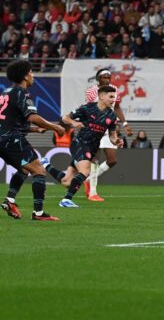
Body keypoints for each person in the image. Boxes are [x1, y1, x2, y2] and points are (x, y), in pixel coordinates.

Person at [0, 60, 65, 221]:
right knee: (39, 171)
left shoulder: (5, 93)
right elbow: (33, 117)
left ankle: (9, 200)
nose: (32, 75)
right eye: (30, 72)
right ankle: (39, 213)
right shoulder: (21, 93)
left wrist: (36, 130)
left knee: (24, 170)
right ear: (25, 76)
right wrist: (55, 127)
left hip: (2, 138)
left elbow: (9, 121)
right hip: (11, 139)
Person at [41, 85, 121, 208]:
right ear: (101, 96)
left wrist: (117, 141)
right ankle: (66, 200)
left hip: (93, 148)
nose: (113, 100)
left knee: (67, 181)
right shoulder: (87, 108)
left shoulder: (112, 117)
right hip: (80, 143)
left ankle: (45, 164)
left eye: (114, 97)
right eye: (111, 97)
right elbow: (65, 118)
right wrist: (74, 123)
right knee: (85, 171)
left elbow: (112, 136)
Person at [83, 68, 133, 202]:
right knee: (95, 159)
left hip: (109, 128)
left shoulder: (114, 89)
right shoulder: (91, 91)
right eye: (104, 77)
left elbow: (116, 108)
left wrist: (125, 124)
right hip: (95, 127)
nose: (107, 79)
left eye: (108, 77)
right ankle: (93, 193)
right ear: (98, 78)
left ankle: (87, 180)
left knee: (112, 160)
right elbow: (90, 109)